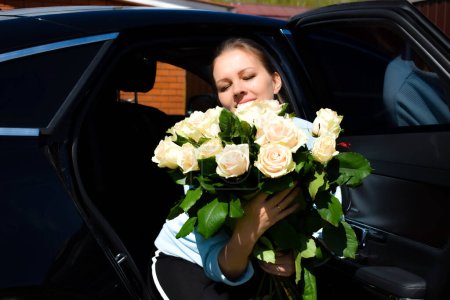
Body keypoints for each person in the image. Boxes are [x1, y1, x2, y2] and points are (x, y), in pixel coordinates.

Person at [149, 37, 313, 300]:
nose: (237, 89)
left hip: (260, 268)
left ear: (276, 81)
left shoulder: (308, 137)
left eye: (248, 76)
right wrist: (248, 228)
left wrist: (299, 255)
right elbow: (218, 262)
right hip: (196, 266)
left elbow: (324, 222)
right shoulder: (209, 151)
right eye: (225, 86)